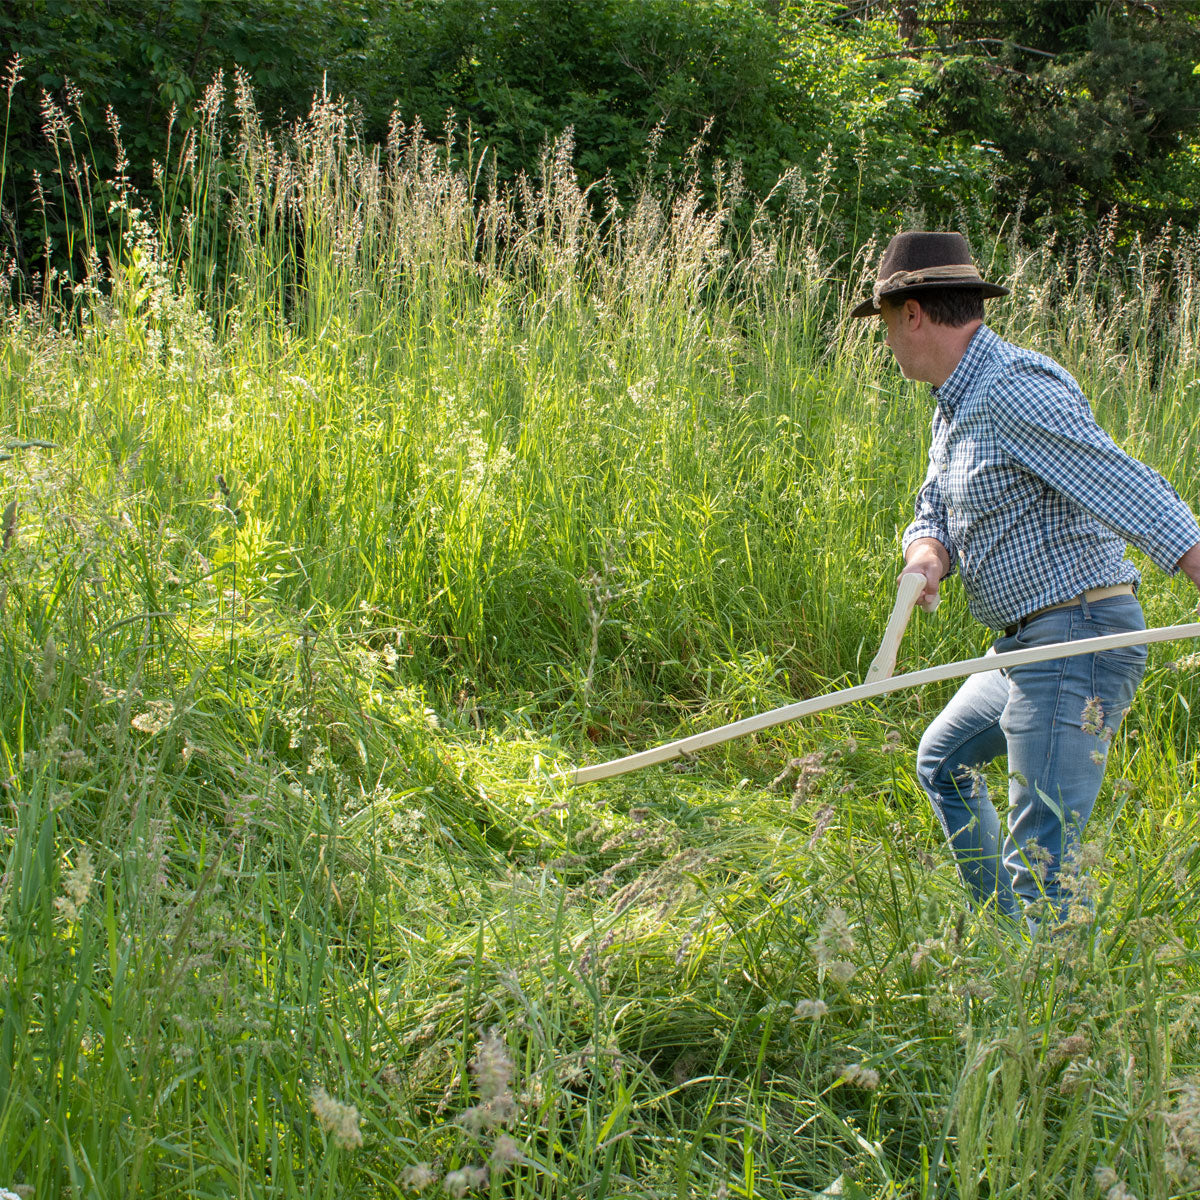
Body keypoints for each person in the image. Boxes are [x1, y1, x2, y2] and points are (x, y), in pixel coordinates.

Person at [850, 230, 1200, 928]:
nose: (887, 341)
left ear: (913, 312)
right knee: (943, 762)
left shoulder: (1011, 388)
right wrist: (926, 556)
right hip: (1024, 647)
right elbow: (935, 509)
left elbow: (1123, 486)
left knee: (1042, 862)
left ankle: (1055, 1008)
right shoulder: (955, 400)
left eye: (886, 323)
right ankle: (1007, 945)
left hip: (1077, 640)